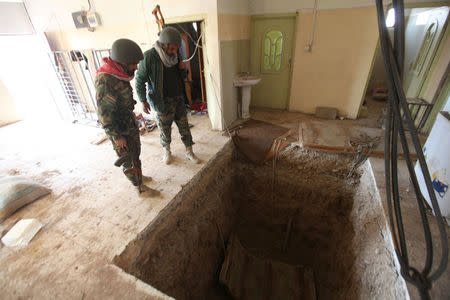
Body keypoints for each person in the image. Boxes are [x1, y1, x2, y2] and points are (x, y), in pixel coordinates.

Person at [95, 38, 156, 196]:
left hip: (128, 123)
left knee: (135, 153)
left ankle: (139, 176)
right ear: (122, 62)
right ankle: (139, 188)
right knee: (127, 159)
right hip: (120, 130)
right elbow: (104, 113)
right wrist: (116, 137)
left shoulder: (120, 75)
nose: (136, 67)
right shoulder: (106, 80)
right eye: (133, 63)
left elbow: (119, 102)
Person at [135, 26, 200, 165]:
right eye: (171, 49)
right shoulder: (149, 57)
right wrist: (143, 100)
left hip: (178, 98)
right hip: (162, 101)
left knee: (184, 127)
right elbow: (140, 80)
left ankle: (189, 151)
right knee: (165, 129)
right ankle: (167, 152)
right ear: (163, 44)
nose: (174, 52)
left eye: (176, 49)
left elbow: (182, 77)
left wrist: (184, 70)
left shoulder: (176, 55)